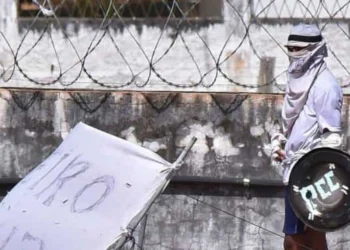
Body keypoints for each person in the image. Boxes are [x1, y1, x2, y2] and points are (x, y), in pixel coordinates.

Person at [270, 24, 344, 250]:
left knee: (295, 242)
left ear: (315, 49)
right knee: (309, 239)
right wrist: (280, 142)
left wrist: (312, 168)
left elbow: (332, 138)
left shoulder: (325, 85)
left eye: (299, 49)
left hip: (311, 176)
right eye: (290, 48)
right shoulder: (296, 80)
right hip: (293, 169)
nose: (294, 54)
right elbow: (290, 125)